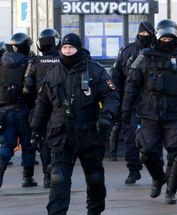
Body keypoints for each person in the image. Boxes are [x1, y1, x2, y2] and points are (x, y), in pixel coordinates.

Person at [30, 33, 119, 214]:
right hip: (61, 137)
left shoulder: (95, 71)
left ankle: (94, 211)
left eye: (71, 47)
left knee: (95, 180)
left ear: (78, 48)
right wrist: (35, 130)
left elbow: (111, 97)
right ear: (60, 48)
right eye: (64, 47)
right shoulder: (52, 73)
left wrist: (107, 116)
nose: (68, 51)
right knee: (58, 180)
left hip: (90, 135)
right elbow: (42, 105)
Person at [121, 19, 177, 204]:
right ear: (157, 37)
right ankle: (158, 178)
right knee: (147, 152)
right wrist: (125, 110)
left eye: (170, 38)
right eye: (163, 38)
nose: (167, 41)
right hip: (149, 114)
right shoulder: (144, 56)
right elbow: (132, 84)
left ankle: (170, 192)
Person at [111, 21, 155, 184]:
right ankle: (133, 169)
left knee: (152, 139)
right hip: (131, 101)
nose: (144, 37)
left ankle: (155, 169)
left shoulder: (157, 51)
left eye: (147, 34)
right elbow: (116, 76)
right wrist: (117, 99)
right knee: (130, 137)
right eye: (142, 34)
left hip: (152, 102)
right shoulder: (127, 51)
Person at [23, 28, 61, 188]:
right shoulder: (63, 61)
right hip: (60, 109)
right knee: (61, 141)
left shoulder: (34, 64)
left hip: (41, 109)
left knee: (44, 142)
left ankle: (47, 175)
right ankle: (58, 172)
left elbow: (27, 89)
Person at [0, 33, 37, 189]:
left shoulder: (1, 63)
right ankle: (27, 178)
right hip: (23, 110)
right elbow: (31, 88)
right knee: (27, 144)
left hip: (4, 111)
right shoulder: (28, 63)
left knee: (7, 144)